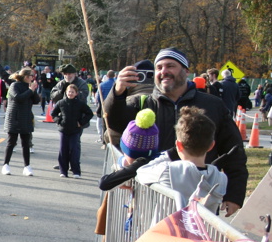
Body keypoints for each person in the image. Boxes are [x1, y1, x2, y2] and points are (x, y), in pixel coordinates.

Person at [105, 47, 248, 216]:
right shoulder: (142, 103)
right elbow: (113, 122)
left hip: (198, 203)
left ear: (185, 71)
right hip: (150, 201)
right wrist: (117, 92)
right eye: (159, 67)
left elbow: (233, 150)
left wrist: (234, 195)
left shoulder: (212, 105)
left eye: (170, 66)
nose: (163, 71)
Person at [135, 107, 228, 211]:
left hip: (169, 221)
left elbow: (141, 172)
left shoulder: (168, 170)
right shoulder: (221, 178)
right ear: (211, 146)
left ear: (178, 145)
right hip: (202, 222)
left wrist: (168, 155)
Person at [1, 68, 40, 176]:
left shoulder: (29, 87)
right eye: (32, 76)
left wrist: (33, 90)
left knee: (26, 143)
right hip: (14, 118)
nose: (33, 78)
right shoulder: (14, 85)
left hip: (26, 118)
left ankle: (27, 166)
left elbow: (36, 100)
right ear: (26, 77)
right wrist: (30, 90)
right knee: (11, 142)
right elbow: (18, 98)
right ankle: (5, 165)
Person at [52, 83, 93, 178]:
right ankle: (63, 171)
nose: (70, 93)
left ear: (76, 93)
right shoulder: (61, 103)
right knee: (63, 150)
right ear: (66, 92)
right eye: (69, 91)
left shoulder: (80, 104)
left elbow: (89, 113)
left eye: (72, 92)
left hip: (75, 131)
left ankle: (76, 171)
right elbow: (53, 114)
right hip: (63, 130)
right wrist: (59, 120)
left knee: (74, 150)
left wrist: (81, 122)